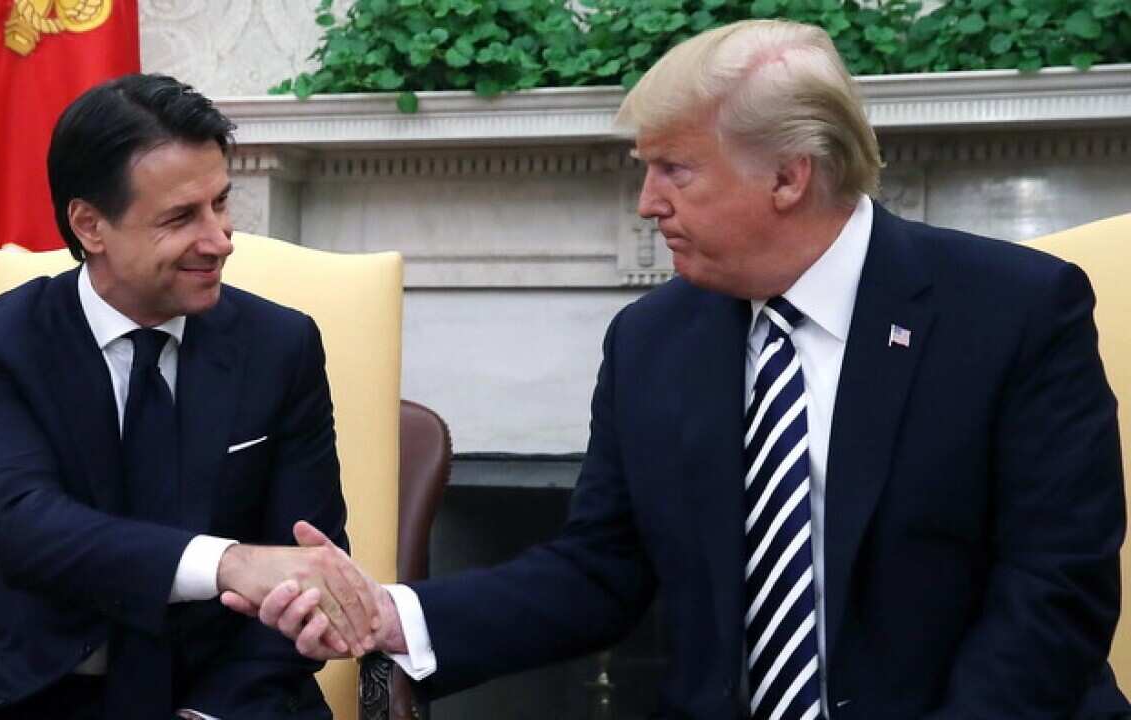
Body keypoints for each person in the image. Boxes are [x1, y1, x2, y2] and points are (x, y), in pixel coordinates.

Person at [237, 19, 1130, 719]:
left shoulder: (1012, 312)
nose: (647, 203)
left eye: (675, 171)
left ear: (788, 177)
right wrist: (401, 617)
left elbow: (1052, 595)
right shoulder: (653, 341)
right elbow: (600, 570)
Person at [0, 73, 377, 720]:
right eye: (182, 217)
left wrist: (209, 714)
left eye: (221, 203)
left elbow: (307, 568)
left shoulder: (281, 346)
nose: (220, 240)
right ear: (91, 225)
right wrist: (227, 564)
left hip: (229, 697)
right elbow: (26, 528)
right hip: (30, 688)